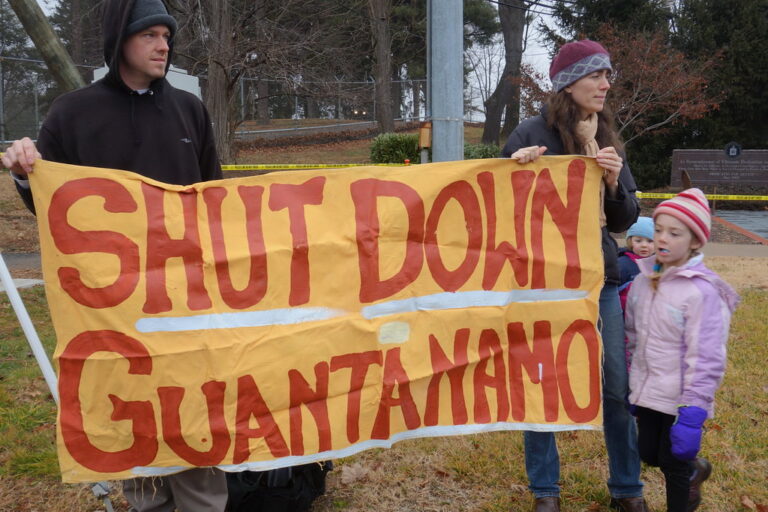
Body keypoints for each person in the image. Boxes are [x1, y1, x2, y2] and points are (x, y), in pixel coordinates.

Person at [1, 0, 227, 510]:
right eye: (150, 34)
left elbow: (217, 199)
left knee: (192, 413)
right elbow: (53, 208)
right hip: (109, 305)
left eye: (167, 35)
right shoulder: (73, 113)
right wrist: (23, 172)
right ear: (119, 39)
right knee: (132, 413)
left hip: (186, 297)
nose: (164, 45)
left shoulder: (189, 109)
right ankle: (148, 501)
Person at [501, 40, 647, 512]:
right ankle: (546, 493)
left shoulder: (604, 136)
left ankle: (628, 490)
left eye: (609, 76)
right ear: (570, 83)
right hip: (542, 286)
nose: (607, 85)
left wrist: (611, 181)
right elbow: (497, 212)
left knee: (616, 390)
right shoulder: (528, 133)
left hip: (599, 281)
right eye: (597, 76)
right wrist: (516, 175)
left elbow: (624, 220)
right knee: (541, 386)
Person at [625, 189, 738, 511]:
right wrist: (635, 386)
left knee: (673, 463)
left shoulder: (702, 292)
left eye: (674, 233)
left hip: (681, 398)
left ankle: (685, 484)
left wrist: (693, 411)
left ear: (694, 242)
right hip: (649, 390)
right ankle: (694, 470)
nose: (662, 238)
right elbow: (633, 335)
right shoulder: (643, 280)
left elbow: (707, 357)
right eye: (658, 229)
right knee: (649, 454)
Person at [617, 216, 655, 312]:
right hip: (625, 316)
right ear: (630, 241)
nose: (644, 245)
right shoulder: (622, 264)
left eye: (650, 241)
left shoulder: (660, 264)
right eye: (638, 241)